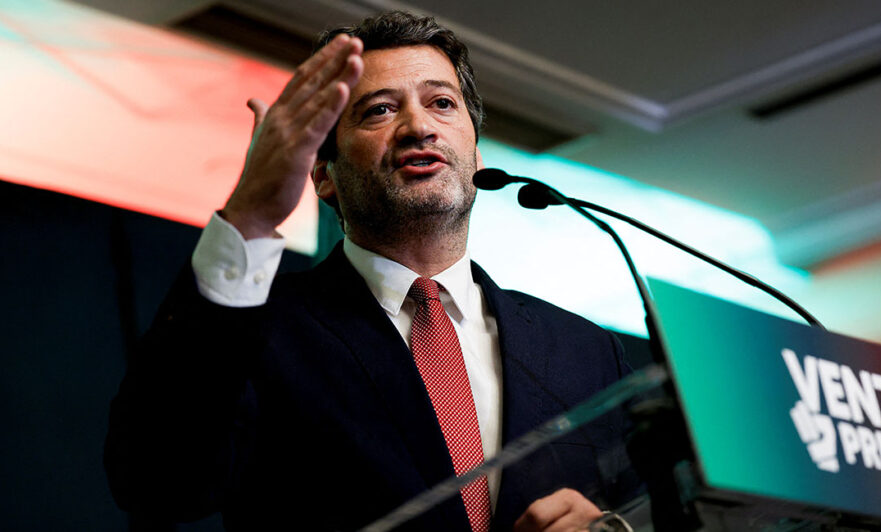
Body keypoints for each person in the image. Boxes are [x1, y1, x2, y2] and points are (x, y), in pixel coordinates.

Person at [105, 11, 634, 531]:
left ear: (476, 156)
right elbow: (157, 482)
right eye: (379, 110)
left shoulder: (587, 352)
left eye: (442, 103)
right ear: (323, 175)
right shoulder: (259, 328)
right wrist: (252, 215)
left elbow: (649, 505)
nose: (419, 127)